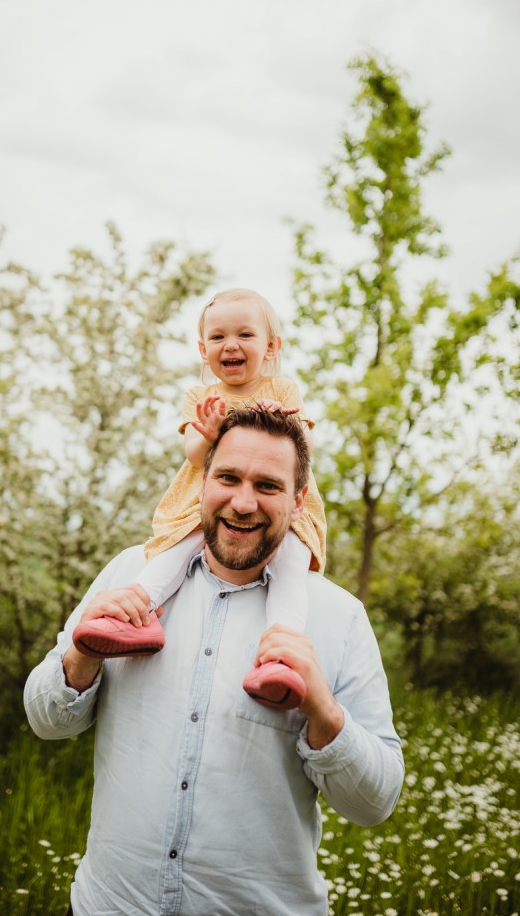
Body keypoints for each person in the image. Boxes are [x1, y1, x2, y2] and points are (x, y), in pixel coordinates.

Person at [24, 407, 404, 916]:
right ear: (202, 482)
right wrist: (81, 655)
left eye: (268, 486)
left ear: (298, 500)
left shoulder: (340, 617)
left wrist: (324, 711)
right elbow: (46, 723)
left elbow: (375, 804)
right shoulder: (129, 577)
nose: (243, 503)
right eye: (228, 477)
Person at [72, 288, 327, 708]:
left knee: (291, 564)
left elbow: (305, 446)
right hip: (203, 499)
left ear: (271, 347)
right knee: (177, 550)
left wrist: (279, 421)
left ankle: (281, 653)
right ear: (202, 349)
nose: (231, 345)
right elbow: (193, 453)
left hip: (280, 503)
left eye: (245, 334)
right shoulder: (200, 397)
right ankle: (138, 614)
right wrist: (207, 434)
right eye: (218, 337)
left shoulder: (282, 390)